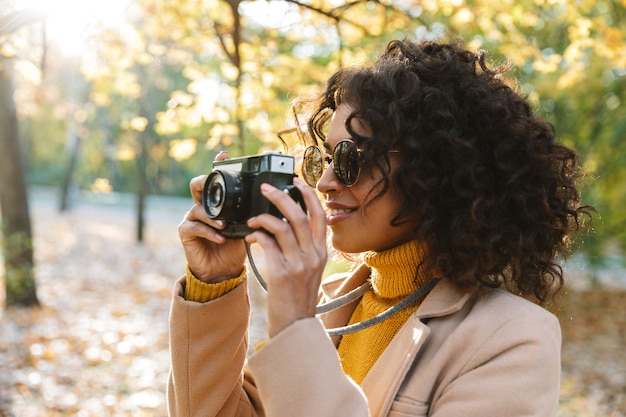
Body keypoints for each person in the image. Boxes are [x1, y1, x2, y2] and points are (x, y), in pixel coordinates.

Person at [168, 39, 591, 417]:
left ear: (438, 169)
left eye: (353, 158)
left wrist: (296, 330)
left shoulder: (513, 341)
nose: (326, 182)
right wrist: (215, 285)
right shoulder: (331, 305)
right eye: (324, 159)